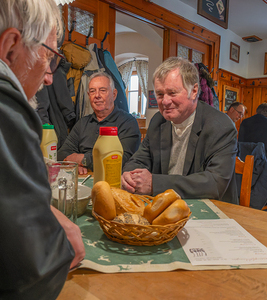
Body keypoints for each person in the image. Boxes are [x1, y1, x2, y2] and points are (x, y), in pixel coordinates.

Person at [0, 1, 85, 299]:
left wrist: (40, 208)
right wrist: (55, 243)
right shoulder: (6, 109)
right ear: (10, 47)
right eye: (48, 56)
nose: (49, 76)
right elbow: (34, 274)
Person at [122, 57, 238, 203]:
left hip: (212, 210)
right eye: (159, 94)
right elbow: (138, 160)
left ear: (194, 91)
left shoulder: (221, 126)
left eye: (172, 93)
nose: (165, 101)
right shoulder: (158, 121)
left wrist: (155, 184)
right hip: (167, 207)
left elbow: (214, 183)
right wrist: (129, 175)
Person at [57, 71, 141, 175]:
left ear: (114, 95)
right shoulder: (82, 123)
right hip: (83, 179)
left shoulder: (128, 123)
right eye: (92, 91)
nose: (97, 95)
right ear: (89, 95)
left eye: (102, 90)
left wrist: (83, 159)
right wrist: (76, 165)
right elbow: (62, 153)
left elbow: (121, 159)